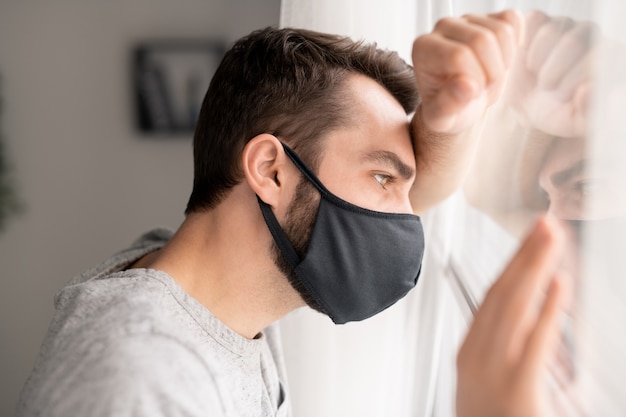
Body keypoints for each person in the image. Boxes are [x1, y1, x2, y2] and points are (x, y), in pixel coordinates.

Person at [16, 10, 567, 417]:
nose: (405, 221)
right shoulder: (140, 384)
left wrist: (456, 115)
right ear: (272, 170)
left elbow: (391, 193)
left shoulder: (205, 279)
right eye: (383, 179)